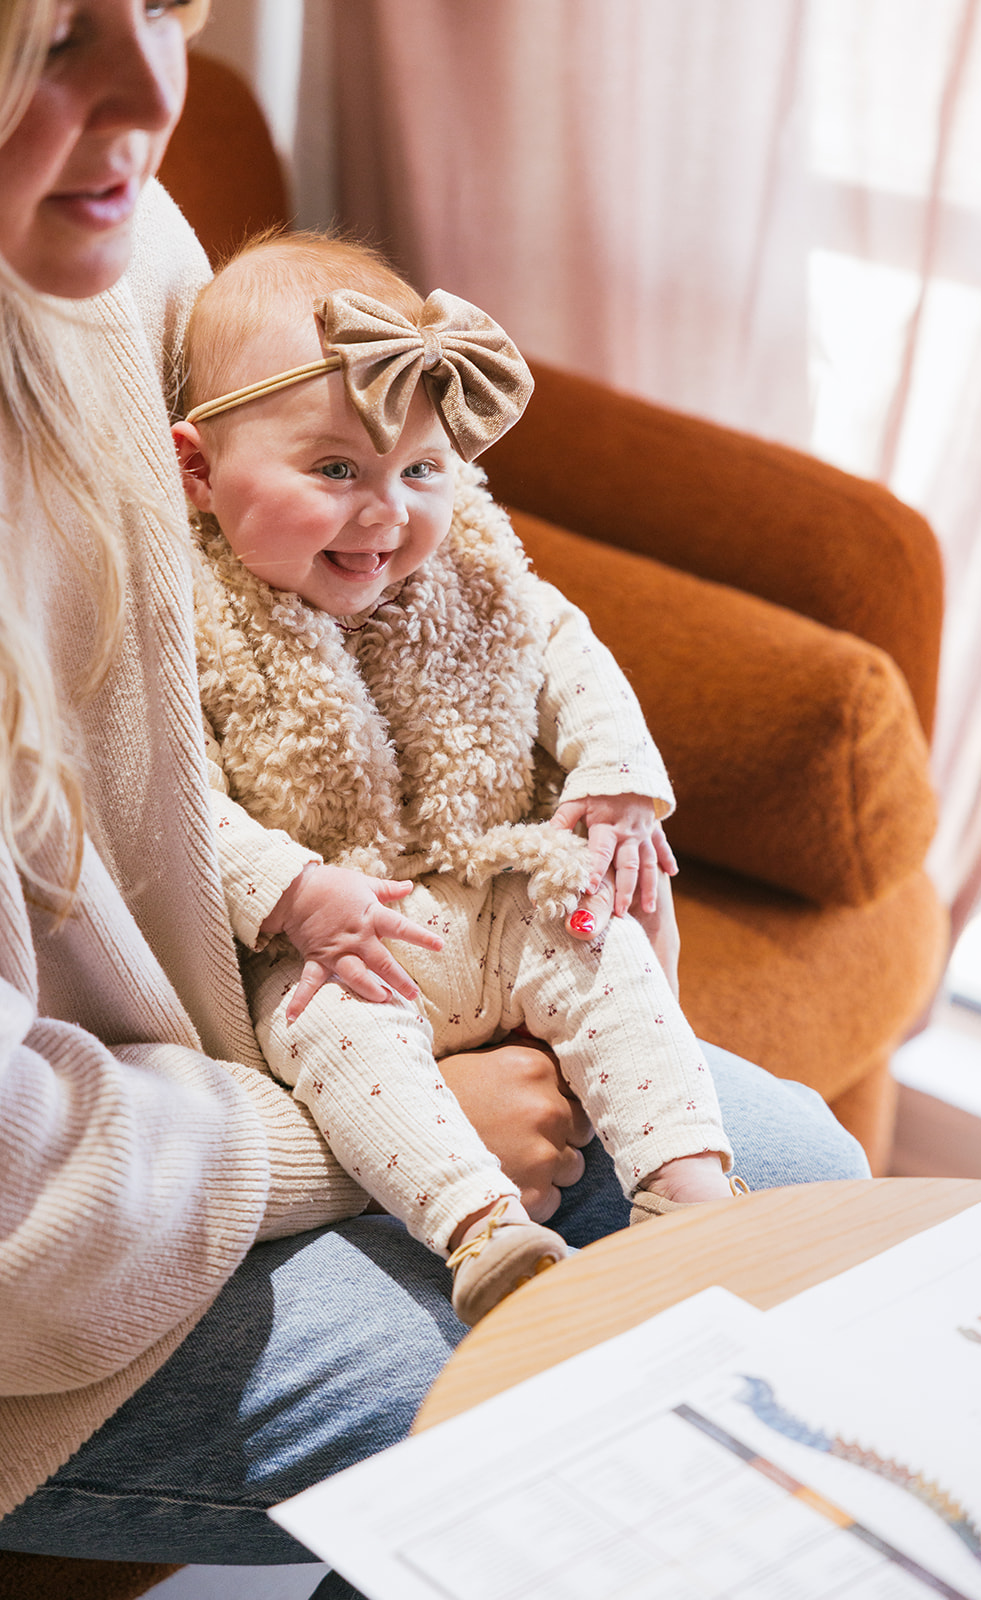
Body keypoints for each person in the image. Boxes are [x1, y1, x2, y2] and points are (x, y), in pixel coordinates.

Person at [0, 2, 867, 1593]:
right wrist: (363, 1137)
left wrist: (590, 792)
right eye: (51, 38)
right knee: (591, 1424)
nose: (150, 89)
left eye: (157, 7)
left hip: (322, 989)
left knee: (801, 1190)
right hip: (58, 1253)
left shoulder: (105, 223)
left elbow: (441, 543)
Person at [175, 232, 742, 1327]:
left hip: (489, 884)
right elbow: (184, 808)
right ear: (199, 471)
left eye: (420, 470)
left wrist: (618, 780)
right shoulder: (188, 620)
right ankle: (485, 1229)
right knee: (331, 1028)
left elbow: (565, 651)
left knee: (595, 933)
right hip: (351, 938)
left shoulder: (470, 562)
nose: (387, 513)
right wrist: (292, 889)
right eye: (333, 469)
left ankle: (692, 1193)